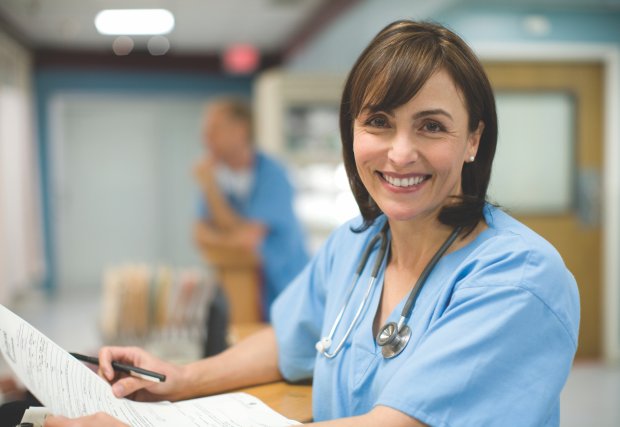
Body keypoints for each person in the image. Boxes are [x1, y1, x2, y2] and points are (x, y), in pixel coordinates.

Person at [44, 20, 579, 427]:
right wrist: (180, 380)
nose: (399, 152)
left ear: (473, 140)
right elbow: (291, 340)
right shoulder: (356, 245)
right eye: (378, 122)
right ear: (352, 131)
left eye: (431, 126)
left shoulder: (519, 279)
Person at [192, 97, 309, 333]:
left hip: (283, 284)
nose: (205, 137)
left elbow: (247, 239)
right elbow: (199, 235)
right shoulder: (216, 176)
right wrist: (234, 238)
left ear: (240, 130)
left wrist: (212, 194)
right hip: (241, 291)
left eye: (214, 129)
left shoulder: (272, 174)